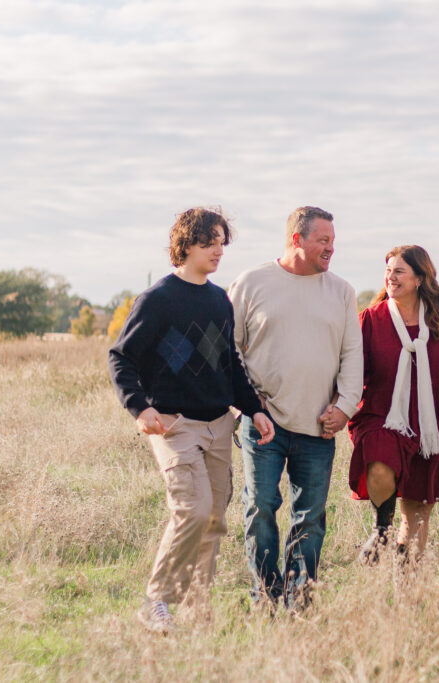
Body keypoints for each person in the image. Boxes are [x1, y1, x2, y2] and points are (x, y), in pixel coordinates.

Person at [109, 207, 275, 634]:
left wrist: (254, 409)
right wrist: (140, 408)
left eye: (222, 241)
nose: (218, 250)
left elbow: (231, 365)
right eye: (209, 242)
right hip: (173, 425)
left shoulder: (220, 300)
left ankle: (198, 613)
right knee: (193, 509)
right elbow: (121, 357)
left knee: (214, 520)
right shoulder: (158, 299)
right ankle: (156, 601)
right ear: (185, 245)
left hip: (220, 423)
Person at [228, 206, 362, 607]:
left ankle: (300, 600)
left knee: (311, 517)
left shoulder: (341, 291)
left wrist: (344, 408)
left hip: (319, 426)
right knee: (261, 508)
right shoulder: (252, 283)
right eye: (323, 241)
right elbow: (228, 349)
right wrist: (245, 405)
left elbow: (353, 355)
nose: (330, 249)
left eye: (333, 242)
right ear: (295, 240)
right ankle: (266, 598)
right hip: (263, 423)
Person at [347, 245, 439, 564]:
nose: (390, 277)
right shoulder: (370, 320)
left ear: (420, 278)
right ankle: (381, 529)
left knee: (418, 514)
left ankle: (406, 584)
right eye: (388, 271)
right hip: (383, 417)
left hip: (432, 424)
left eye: (399, 271)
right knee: (379, 464)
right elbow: (350, 369)